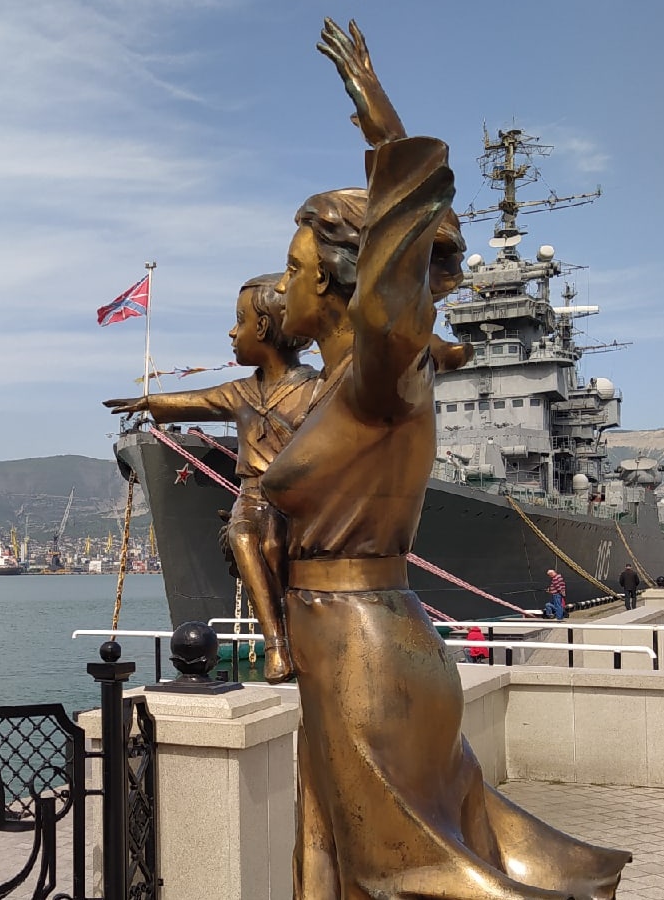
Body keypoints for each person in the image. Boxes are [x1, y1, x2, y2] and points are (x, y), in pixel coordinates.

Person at [259, 19, 628, 899]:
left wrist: (381, 123)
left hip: (361, 643)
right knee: (332, 855)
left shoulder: (378, 378)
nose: (283, 285)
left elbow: (408, 261)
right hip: (359, 640)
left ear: (338, 282)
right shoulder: (350, 382)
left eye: (295, 267)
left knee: (395, 871)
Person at [103, 275, 318, 684]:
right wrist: (148, 401)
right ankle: (276, 644)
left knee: (275, 544)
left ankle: (296, 637)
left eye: (240, 321)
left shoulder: (314, 389)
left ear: (264, 328)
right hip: (251, 495)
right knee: (243, 536)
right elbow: (197, 400)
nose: (232, 333)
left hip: (299, 496)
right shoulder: (240, 392)